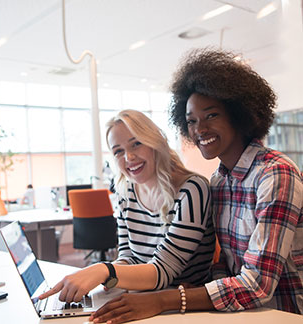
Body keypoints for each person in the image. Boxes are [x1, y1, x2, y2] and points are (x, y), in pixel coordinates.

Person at [89, 48, 303, 324]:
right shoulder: (220, 180)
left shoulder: (275, 174)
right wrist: (194, 292)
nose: (199, 129)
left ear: (238, 114)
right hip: (239, 313)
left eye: (211, 115)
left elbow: (257, 283)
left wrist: (166, 299)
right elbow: (226, 265)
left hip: (283, 313)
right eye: (191, 121)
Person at [39, 109, 215, 304]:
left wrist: (105, 270)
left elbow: (163, 271)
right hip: (142, 298)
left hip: (181, 304)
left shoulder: (192, 189)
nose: (129, 157)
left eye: (137, 144)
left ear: (154, 143)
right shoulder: (126, 193)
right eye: (118, 151)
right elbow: (129, 256)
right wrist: (108, 277)